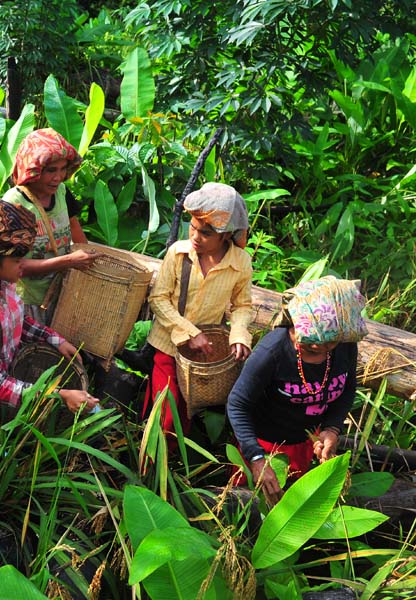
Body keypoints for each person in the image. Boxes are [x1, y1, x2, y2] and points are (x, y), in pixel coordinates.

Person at [0, 199, 99, 449]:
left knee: (2, 448)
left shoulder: (5, 283)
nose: (22, 266)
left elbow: (18, 321)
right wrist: (60, 396)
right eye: (16, 261)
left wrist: (56, 340)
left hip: (11, 396)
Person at [227, 276, 367, 506]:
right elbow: (237, 404)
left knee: (291, 505)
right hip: (263, 445)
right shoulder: (271, 353)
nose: (318, 348)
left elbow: (348, 388)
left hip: (304, 443)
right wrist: (256, 458)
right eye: (310, 343)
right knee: (250, 506)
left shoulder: (345, 347)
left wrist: (332, 428)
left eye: (328, 345)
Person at [137, 182, 254, 435]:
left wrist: (239, 336)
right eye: (193, 227)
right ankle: (150, 464)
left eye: (205, 233)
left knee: (184, 415)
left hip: (202, 356)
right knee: (165, 418)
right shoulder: (178, 253)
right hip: (168, 347)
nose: (195, 237)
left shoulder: (240, 262)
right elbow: (158, 298)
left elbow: (242, 305)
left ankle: (171, 466)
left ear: (225, 235)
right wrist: (190, 332)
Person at [2, 128, 98, 323]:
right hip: (27, 302)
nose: (58, 177)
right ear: (33, 171)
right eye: (51, 171)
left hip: (61, 294)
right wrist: (68, 261)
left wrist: (88, 257)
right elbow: (15, 265)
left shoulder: (61, 192)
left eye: (63, 169)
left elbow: (74, 226)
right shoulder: (15, 204)